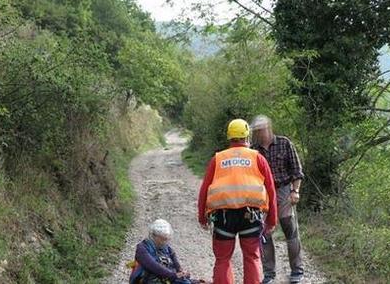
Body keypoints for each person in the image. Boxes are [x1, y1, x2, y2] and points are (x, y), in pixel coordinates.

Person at [198, 119, 278, 284]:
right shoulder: (258, 158)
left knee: (222, 259)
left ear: (229, 137)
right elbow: (271, 190)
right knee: (252, 257)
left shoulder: (218, 159)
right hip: (251, 215)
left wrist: (202, 216)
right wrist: (271, 219)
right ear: (247, 136)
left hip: (223, 216)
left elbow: (204, 189)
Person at [250, 116, 305, 284]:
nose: (260, 133)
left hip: (283, 190)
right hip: (263, 193)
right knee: (265, 232)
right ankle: (269, 273)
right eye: (257, 130)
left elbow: (297, 170)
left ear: (269, 128)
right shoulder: (253, 150)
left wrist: (295, 191)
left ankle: (297, 270)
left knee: (290, 229)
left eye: (262, 129)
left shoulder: (284, 143)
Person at [130, 219, 199, 284]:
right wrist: (174, 275)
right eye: (162, 239)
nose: (164, 242)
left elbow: (175, 263)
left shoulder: (167, 248)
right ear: (154, 236)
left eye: (166, 239)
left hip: (166, 278)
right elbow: (153, 266)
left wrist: (181, 272)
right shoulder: (142, 248)